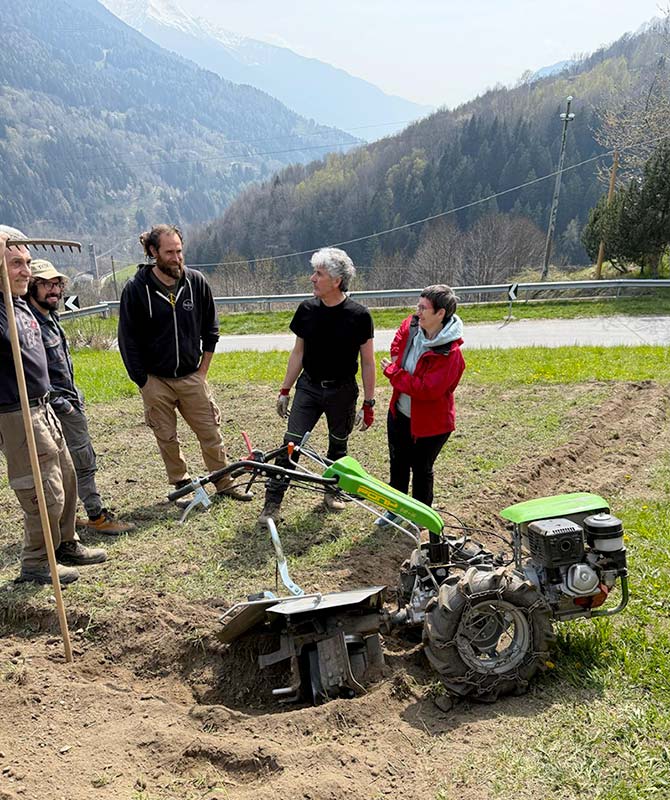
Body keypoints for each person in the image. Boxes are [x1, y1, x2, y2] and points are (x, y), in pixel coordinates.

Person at [0, 226, 106, 585]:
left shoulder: (20, 303)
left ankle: (65, 544)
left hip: (44, 407)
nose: (25, 271)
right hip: (16, 413)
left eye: (27, 263)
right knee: (43, 490)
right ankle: (36, 562)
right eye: (15, 263)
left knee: (67, 477)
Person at [118, 224, 251, 502]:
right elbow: (127, 340)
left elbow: (211, 331)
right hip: (155, 380)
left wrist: (202, 372)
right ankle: (182, 486)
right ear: (153, 252)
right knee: (167, 437)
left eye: (179, 251)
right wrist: (143, 381)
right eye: (169, 252)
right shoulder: (136, 289)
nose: (176, 258)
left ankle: (224, 482)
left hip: (192, 376)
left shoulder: (196, 282)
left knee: (210, 432)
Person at [259, 247, 376, 523]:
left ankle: (332, 491)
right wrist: (285, 390)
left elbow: (368, 362)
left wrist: (368, 403)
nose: (312, 278)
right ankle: (272, 504)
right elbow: (298, 352)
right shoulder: (307, 309)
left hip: (342, 391)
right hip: (309, 388)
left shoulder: (359, 315)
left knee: (338, 446)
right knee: (291, 444)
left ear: (337, 281)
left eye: (319, 274)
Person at [28, 259, 134, 534]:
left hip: (67, 402)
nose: (54, 290)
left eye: (57, 284)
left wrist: (76, 396)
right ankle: (96, 516)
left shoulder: (50, 318)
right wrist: (64, 405)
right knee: (81, 462)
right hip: (56, 408)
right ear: (31, 286)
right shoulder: (30, 325)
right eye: (45, 284)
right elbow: (33, 376)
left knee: (69, 464)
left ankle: (67, 518)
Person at [376, 284, 465, 527]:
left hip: (431, 424)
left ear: (440, 314)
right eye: (418, 306)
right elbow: (399, 339)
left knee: (421, 468)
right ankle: (395, 510)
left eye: (424, 308)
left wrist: (394, 372)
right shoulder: (413, 325)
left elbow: (427, 390)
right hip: (400, 413)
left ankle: (421, 517)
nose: (418, 312)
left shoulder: (450, 354)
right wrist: (397, 359)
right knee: (398, 463)